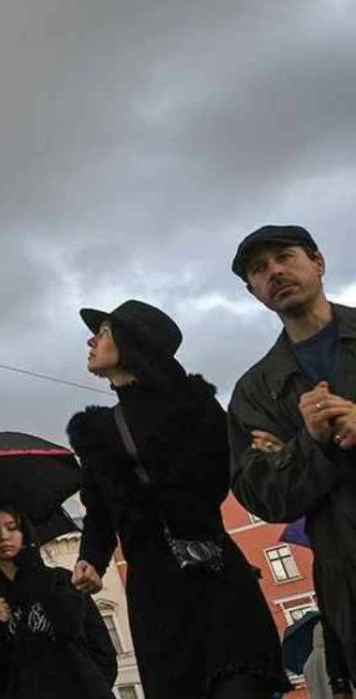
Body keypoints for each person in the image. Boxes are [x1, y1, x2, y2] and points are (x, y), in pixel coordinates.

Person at [66, 300, 290, 698]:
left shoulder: (194, 406)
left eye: (101, 333)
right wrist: (91, 558)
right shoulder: (97, 431)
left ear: (133, 343)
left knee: (240, 687)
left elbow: (230, 474)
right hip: (156, 594)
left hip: (216, 575)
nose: (90, 340)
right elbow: (98, 508)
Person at [226, 225, 356, 679]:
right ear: (254, 292)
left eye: (285, 257)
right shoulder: (255, 393)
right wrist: (313, 441)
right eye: (260, 270)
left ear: (317, 262)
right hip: (349, 575)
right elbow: (265, 497)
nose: (275, 271)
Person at [0, 500, 117, 698]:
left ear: (24, 532)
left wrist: (91, 687)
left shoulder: (60, 581)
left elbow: (103, 650)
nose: (4, 536)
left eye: (11, 527)